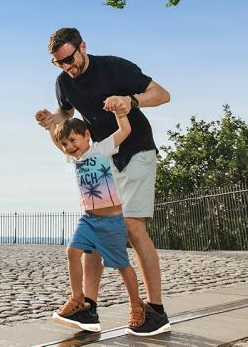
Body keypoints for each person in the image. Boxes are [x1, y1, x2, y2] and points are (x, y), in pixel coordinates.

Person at [36, 27, 171, 337]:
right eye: (60, 63)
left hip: (135, 148)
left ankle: (156, 310)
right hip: (102, 157)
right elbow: (65, 117)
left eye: (70, 59)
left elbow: (163, 95)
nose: (68, 67)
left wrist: (131, 101)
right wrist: (49, 121)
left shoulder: (114, 67)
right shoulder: (63, 82)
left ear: (83, 46)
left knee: (133, 226)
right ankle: (87, 307)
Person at [39, 110, 146, 333]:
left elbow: (125, 130)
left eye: (72, 140)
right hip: (88, 220)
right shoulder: (73, 157)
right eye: (65, 144)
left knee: (122, 266)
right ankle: (78, 299)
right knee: (72, 252)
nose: (68, 146)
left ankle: (136, 304)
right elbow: (57, 143)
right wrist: (51, 128)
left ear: (86, 135)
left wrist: (120, 112)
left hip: (111, 221)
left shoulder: (100, 149)